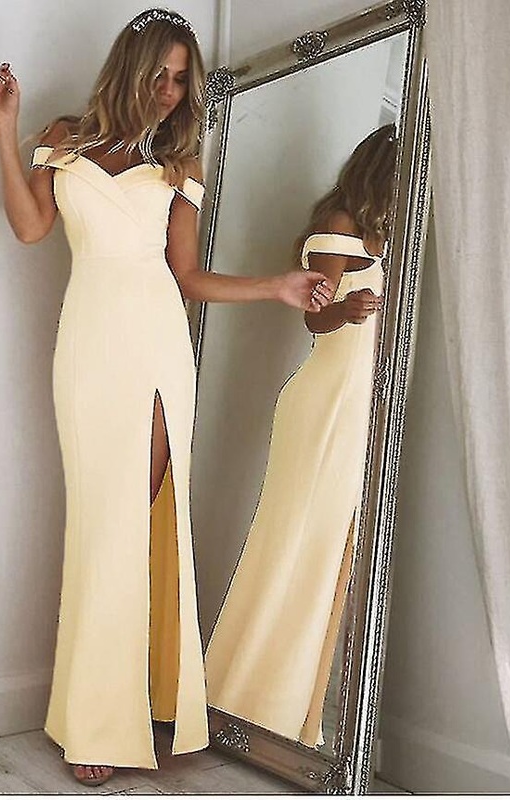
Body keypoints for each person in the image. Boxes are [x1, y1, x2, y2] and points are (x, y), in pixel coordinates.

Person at [0, 8, 334, 785]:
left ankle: (118, 717)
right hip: (86, 346)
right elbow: (30, 227)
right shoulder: (65, 137)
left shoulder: (181, 164)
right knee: (98, 524)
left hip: (156, 347)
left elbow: (188, 277)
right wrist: (5, 130)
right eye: (161, 74)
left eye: (181, 80)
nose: (170, 91)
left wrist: (277, 286)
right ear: (130, 67)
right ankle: (99, 714)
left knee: (132, 523)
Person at [204, 124, 396, 748]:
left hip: (359, 412)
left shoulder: (390, 239)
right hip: (324, 406)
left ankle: (289, 713)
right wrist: (346, 309)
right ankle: (237, 699)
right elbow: (315, 315)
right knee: (289, 544)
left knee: (324, 557)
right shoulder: (338, 227)